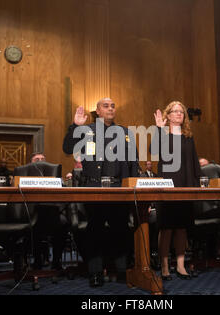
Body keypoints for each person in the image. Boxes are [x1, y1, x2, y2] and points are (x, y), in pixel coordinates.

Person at [63, 98, 137, 287]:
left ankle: (121, 271)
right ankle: (95, 272)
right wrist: (74, 126)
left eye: (113, 105)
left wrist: (135, 184)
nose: (111, 108)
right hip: (94, 187)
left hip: (120, 188)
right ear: (97, 111)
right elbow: (67, 148)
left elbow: (133, 162)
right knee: (94, 229)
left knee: (120, 228)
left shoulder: (125, 133)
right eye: (106, 106)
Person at [153, 101, 201, 280]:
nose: (179, 114)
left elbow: (194, 161)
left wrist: (199, 182)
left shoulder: (188, 136)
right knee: (166, 228)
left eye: (181, 112)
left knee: (181, 227)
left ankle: (181, 266)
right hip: (167, 184)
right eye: (175, 111)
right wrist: (159, 129)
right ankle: (165, 266)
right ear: (168, 115)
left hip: (186, 184)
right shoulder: (163, 134)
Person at [28, 152, 67, 271]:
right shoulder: (25, 175)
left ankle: (56, 261)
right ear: (31, 163)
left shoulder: (54, 176)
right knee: (34, 226)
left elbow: (64, 192)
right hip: (31, 213)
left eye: (43, 159)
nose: (40, 161)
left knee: (63, 224)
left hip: (53, 213)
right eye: (37, 159)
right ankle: (37, 261)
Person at [140, 161, 159, 270]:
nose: (149, 166)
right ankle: (151, 253)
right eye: (147, 164)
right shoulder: (142, 176)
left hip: (155, 205)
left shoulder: (156, 176)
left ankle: (155, 252)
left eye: (151, 164)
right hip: (146, 206)